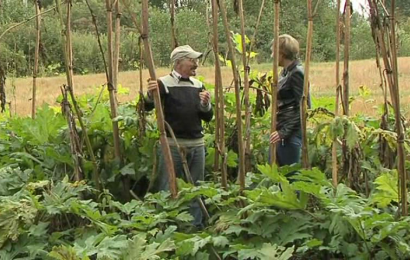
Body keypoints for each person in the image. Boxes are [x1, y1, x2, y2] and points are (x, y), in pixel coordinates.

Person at [144, 45, 213, 228]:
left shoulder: (198, 85)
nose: (196, 65)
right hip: (172, 144)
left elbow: (207, 117)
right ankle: (167, 227)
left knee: (196, 188)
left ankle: (195, 228)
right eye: (192, 60)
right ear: (179, 62)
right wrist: (151, 95)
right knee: (168, 187)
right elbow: (147, 107)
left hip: (197, 144)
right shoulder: (163, 83)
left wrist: (206, 104)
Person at [269, 34, 309, 169]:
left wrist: (283, 133)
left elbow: (303, 108)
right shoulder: (285, 72)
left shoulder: (297, 73)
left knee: (290, 178)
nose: (271, 55)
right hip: (281, 132)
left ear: (282, 53)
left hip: (290, 136)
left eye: (273, 51)